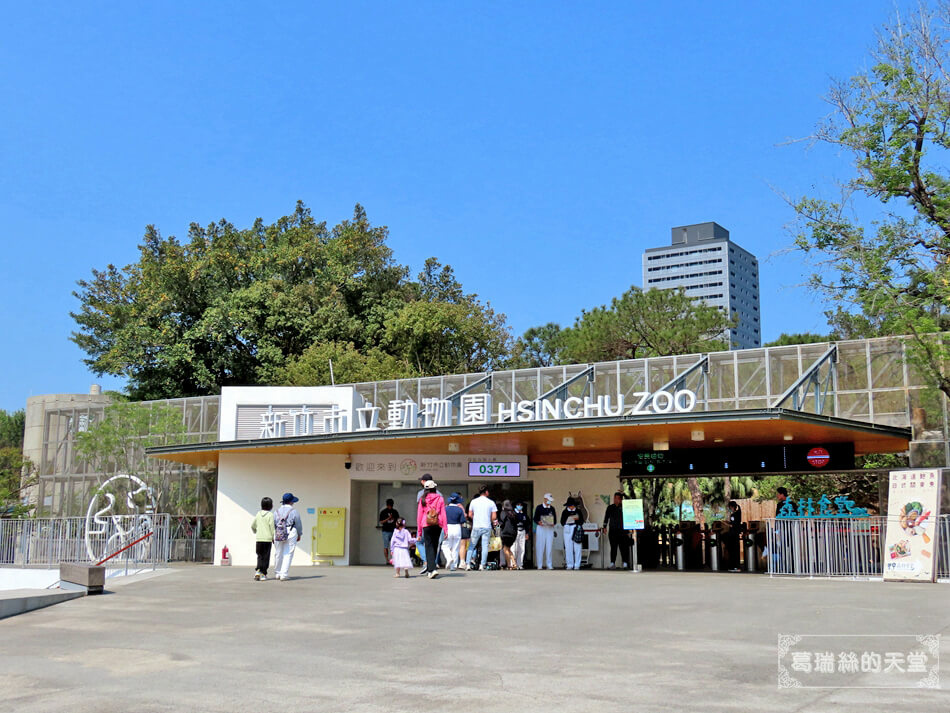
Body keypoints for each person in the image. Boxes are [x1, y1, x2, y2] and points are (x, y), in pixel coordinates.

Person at [416, 479, 447, 579]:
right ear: (435, 488)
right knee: (434, 547)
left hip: (426, 524)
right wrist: (446, 529)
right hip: (438, 524)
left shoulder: (422, 499)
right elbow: (443, 514)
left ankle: (431, 570)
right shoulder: (440, 499)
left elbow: (419, 516)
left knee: (428, 546)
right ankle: (431, 569)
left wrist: (419, 532)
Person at [465, 485, 498, 571]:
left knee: (471, 546)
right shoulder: (491, 502)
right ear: (486, 492)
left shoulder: (473, 501)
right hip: (486, 526)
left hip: (476, 526)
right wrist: (488, 519)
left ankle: (468, 564)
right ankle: (482, 565)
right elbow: (494, 516)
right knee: (485, 546)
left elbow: (470, 514)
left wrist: (476, 519)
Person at [273, 492, 303, 581]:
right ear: (291, 502)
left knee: (278, 553)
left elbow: (274, 523)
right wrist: (299, 534)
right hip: (291, 531)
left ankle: (277, 573)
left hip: (278, 531)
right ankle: (284, 574)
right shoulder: (294, 511)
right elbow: (298, 524)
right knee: (288, 553)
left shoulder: (276, 511)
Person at [602, 491, 630, 569]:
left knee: (623, 547)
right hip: (613, 530)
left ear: (621, 500)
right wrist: (604, 527)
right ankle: (612, 563)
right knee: (613, 547)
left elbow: (630, 502)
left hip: (622, 531)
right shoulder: (610, 507)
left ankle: (625, 563)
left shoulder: (624, 507)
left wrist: (624, 494)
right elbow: (606, 518)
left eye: (617, 498)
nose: (615, 500)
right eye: (614, 498)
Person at [250, 496, 275, 581]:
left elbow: (253, 525)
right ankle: (263, 573)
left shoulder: (258, 514)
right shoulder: (270, 515)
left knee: (259, 556)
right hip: (267, 539)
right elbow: (272, 528)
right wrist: (273, 537)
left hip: (259, 539)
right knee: (266, 557)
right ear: (270, 506)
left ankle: (258, 571)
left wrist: (255, 531)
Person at [441, 492, 466, 570]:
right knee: (456, 547)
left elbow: (441, 520)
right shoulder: (459, 509)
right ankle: (454, 565)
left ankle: (448, 558)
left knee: (445, 546)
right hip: (457, 527)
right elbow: (463, 521)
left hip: (447, 527)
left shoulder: (445, 509)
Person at [533, 493, 557, 570]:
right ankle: (539, 565)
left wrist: (553, 523)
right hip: (541, 528)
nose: (549, 502)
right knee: (540, 546)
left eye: (550, 501)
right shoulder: (539, 507)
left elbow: (555, 519)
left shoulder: (552, 508)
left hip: (549, 528)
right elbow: (535, 518)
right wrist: (538, 522)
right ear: (545, 499)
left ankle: (549, 564)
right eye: (548, 500)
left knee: (549, 547)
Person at [561, 496, 585, 570]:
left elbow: (582, 521)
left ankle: (577, 564)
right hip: (567, 529)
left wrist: (575, 520)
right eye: (569, 506)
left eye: (572, 505)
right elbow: (562, 522)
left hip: (576, 528)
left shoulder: (578, 511)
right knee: (568, 547)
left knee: (577, 547)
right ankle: (569, 564)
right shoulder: (564, 512)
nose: (571, 507)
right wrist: (568, 521)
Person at [498, 499, 518, 569]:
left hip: (505, 533)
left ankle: (509, 564)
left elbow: (501, 522)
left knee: (505, 549)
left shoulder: (504, 512)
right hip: (513, 534)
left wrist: (497, 526)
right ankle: (514, 563)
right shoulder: (513, 513)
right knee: (509, 549)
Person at [379, 498, 400, 562]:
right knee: (386, 546)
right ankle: (387, 560)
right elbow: (381, 522)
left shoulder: (395, 512)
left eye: (391, 505)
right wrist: (388, 518)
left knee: (394, 545)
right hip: (385, 531)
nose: (390, 506)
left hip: (394, 531)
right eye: (389, 505)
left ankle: (394, 559)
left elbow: (398, 521)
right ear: (387, 505)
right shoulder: (383, 512)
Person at [511, 501, 530, 569]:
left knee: (522, 548)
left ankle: (520, 564)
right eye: (518, 505)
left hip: (523, 532)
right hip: (515, 531)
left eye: (520, 505)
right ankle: (513, 563)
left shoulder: (524, 515)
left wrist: (527, 533)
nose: (519, 506)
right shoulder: (513, 514)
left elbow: (527, 524)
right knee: (514, 548)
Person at [725, 500, 743, 572]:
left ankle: (734, 566)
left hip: (733, 534)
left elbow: (733, 525)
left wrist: (726, 524)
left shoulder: (734, 515)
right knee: (735, 550)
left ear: (731, 507)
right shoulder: (738, 513)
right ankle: (736, 566)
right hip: (736, 533)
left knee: (733, 551)